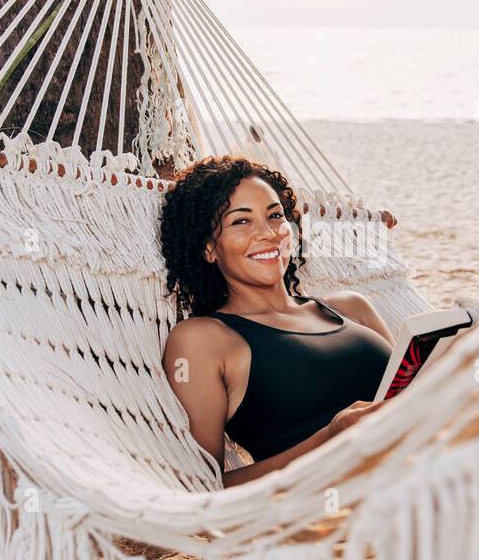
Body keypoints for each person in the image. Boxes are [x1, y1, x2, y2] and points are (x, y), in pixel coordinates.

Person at [159, 154, 396, 488]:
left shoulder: (351, 307)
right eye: (241, 222)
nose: (269, 233)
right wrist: (331, 437)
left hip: (434, 459)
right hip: (344, 500)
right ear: (210, 248)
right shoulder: (203, 339)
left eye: (275, 216)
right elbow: (204, 488)